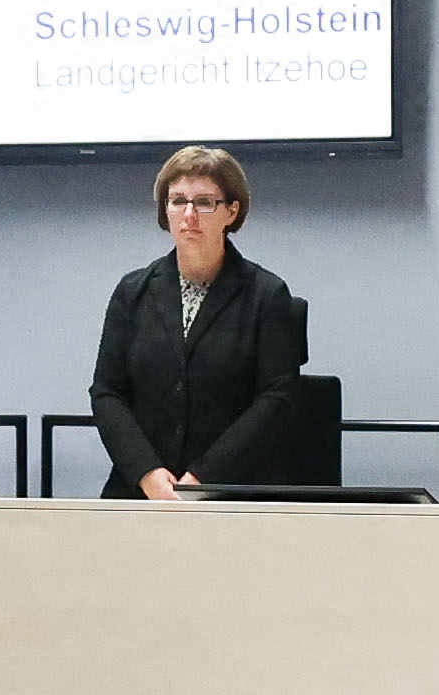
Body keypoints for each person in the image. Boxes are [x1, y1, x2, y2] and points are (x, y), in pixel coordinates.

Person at [89, 145, 309, 497]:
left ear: (231, 211)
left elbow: (276, 398)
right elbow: (107, 392)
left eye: (204, 202)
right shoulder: (133, 292)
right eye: (177, 201)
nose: (188, 215)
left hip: (231, 492)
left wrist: (204, 477)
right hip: (140, 492)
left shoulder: (267, 295)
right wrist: (146, 472)